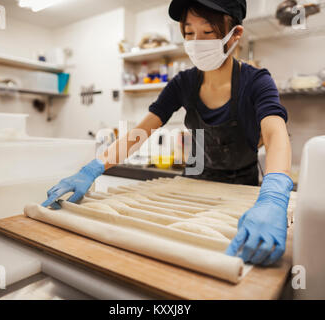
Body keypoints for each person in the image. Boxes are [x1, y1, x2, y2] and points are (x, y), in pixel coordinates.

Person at [42, 0, 293, 266]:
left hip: (243, 191)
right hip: (192, 186)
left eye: (208, 33)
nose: (197, 41)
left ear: (236, 34)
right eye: (188, 33)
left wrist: (274, 196)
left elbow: (276, 134)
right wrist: (93, 167)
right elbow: (141, 131)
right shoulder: (182, 84)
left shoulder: (256, 81)